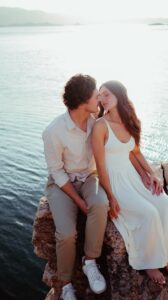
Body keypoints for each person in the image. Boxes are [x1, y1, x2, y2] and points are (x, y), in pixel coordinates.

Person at [92, 80, 168, 285]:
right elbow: (100, 166)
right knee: (149, 213)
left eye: (107, 95)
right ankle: (149, 263)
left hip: (132, 176)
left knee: (165, 205)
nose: (102, 100)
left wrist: (151, 174)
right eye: (100, 95)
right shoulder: (100, 126)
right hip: (114, 181)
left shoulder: (129, 120)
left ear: (119, 96)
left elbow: (135, 151)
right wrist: (111, 196)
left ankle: (164, 256)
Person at [42, 74, 109, 300]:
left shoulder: (96, 121)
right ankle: (66, 284)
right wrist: (79, 201)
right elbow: (57, 172)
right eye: (95, 95)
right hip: (62, 183)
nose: (99, 97)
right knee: (67, 234)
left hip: (89, 177)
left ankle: (90, 261)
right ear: (83, 101)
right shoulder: (53, 131)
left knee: (100, 204)